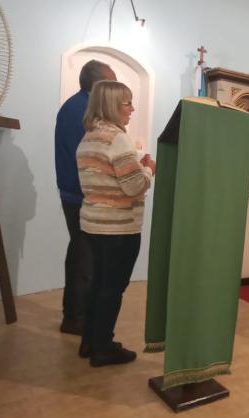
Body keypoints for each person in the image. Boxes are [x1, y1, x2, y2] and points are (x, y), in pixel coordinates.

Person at [76, 80, 156, 367]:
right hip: (118, 227)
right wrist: (148, 169)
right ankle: (103, 348)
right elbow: (134, 186)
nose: (132, 109)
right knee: (112, 288)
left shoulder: (89, 137)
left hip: (94, 224)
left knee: (97, 284)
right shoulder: (118, 139)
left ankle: (89, 342)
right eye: (127, 103)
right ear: (112, 105)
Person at [55, 60, 118, 335]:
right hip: (81, 196)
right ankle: (75, 318)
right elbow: (91, 158)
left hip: (78, 194)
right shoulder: (80, 111)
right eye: (111, 83)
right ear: (96, 85)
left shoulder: (78, 107)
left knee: (80, 254)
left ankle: (75, 313)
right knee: (85, 258)